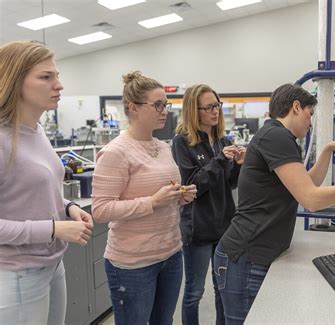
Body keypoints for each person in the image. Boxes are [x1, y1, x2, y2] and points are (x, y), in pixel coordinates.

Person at [214, 83, 335, 323]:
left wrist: (327, 151)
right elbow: (310, 200)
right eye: (310, 115)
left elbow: (306, 184)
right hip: (245, 256)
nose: (310, 123)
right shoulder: (276, 136)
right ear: (296, 107)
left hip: (249, 255)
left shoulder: (276, 135)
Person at [92, 71, 197, 325]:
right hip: (133, 263)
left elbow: (164, 190)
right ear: (133, 108)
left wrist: (179, 196)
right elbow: (101, 210)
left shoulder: (163, 146)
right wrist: (153, 202)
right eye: (158, 105)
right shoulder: (116, 152)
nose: (165, 110)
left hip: (170, 253)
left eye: (166, 104)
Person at [0, 40, 94, 324]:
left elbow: (34, 191)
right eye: (46, 77)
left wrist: (68, 208)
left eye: (57, 75)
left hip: (52, 266)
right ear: (15, 81)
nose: (59, 85)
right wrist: (53, 229)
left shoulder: (36, 130)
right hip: (18, 275)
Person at [172, 84, 245, 325]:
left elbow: (229, 184)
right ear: (194, 110)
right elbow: (193, 184)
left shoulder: (222, 139)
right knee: (194, 293)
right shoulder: (183, 142)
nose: (216, 111)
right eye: (209, 107)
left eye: (217, 105)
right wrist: (219, 160)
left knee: (222, 289)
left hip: (224, 226)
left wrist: (238, 164)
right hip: (199, 228)